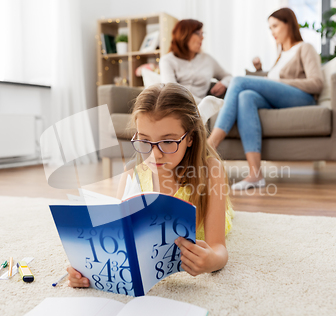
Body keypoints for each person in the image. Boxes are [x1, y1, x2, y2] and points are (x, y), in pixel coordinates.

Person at [67, 83, 235, 288]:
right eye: (144, 140)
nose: (155, 154)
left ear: (189, 138)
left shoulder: (211, 171)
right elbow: (118, 239)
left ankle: (201, 115)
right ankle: (193, 121)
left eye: (168, 142)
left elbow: (219, 248)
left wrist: (211, 260)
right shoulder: (132, 173)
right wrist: (87, 270)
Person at [207, 7, 324, 190]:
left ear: (289, 24)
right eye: (270, 28)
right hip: (280, 98)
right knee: (246, 97)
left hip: (302, 98)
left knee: (238, 81)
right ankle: (255, 174)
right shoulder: (280, 56)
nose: (272, 32)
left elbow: (316, 83)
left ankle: (210, 145)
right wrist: (261, 71)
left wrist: (281, 81)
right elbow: (272, 83)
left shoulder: (304, 48)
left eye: (275, 26)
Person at [159, 19, 232, 123]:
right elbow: (172, 91)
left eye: (203, 34)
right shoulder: (167, 60)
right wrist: (204, 103)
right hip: (178, 106)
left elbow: (229, 76)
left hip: (202, 108)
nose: (202, 37)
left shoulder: (208, 60)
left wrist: (224, 83)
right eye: (198, 33)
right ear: (184, 35)